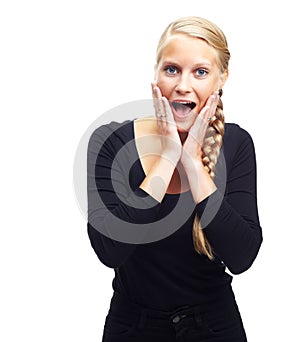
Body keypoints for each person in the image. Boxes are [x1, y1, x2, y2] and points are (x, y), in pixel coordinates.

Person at [86, 16, 262, 342]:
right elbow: (110, 250)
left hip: (214, 326)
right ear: (155, 74)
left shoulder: (236, 144)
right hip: (132, 327)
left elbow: (242, 257)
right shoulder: (111, 142)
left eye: (200, 72)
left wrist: (193, 164)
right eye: (171, 69)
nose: (183, 84)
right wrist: (167, 157)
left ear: (221, 79)